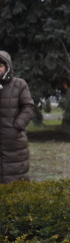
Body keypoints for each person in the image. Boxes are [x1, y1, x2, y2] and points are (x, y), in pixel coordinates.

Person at [0, 51, 35, 184]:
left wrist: (17, 126)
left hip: (13, 141)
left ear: (7, 67)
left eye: (0, 66)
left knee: (15, 178)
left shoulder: (19, 84)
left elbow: (28, 107)